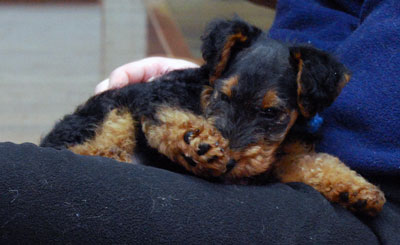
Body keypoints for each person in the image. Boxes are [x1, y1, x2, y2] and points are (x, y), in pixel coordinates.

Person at [1, 0, 399, 243]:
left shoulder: (306, 92)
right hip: (138, 144)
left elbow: (294, 158)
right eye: (224, 96)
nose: (232, 147)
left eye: (271, 114)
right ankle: (97, 155)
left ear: (306, 101)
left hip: (366, 214)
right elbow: (319, 13)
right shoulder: (236, 74)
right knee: (114, 117)